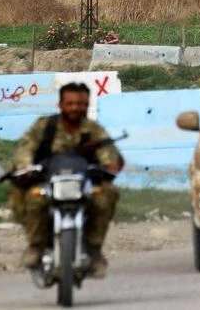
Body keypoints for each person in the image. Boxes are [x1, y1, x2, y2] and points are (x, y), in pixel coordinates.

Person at [9, 82, 123, 278]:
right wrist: (25, 166)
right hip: (47, 180)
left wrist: (109, 164)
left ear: (87, 105)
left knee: (106, 196)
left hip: (83, 181)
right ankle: (35, 246)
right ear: (60, 104)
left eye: (80, 103)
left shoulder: (93, 130)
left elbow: (107, 152)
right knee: (33, 198)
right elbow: (25, 148)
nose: (75, 108)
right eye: (70, 103)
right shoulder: (45, 126)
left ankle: (94, 250)